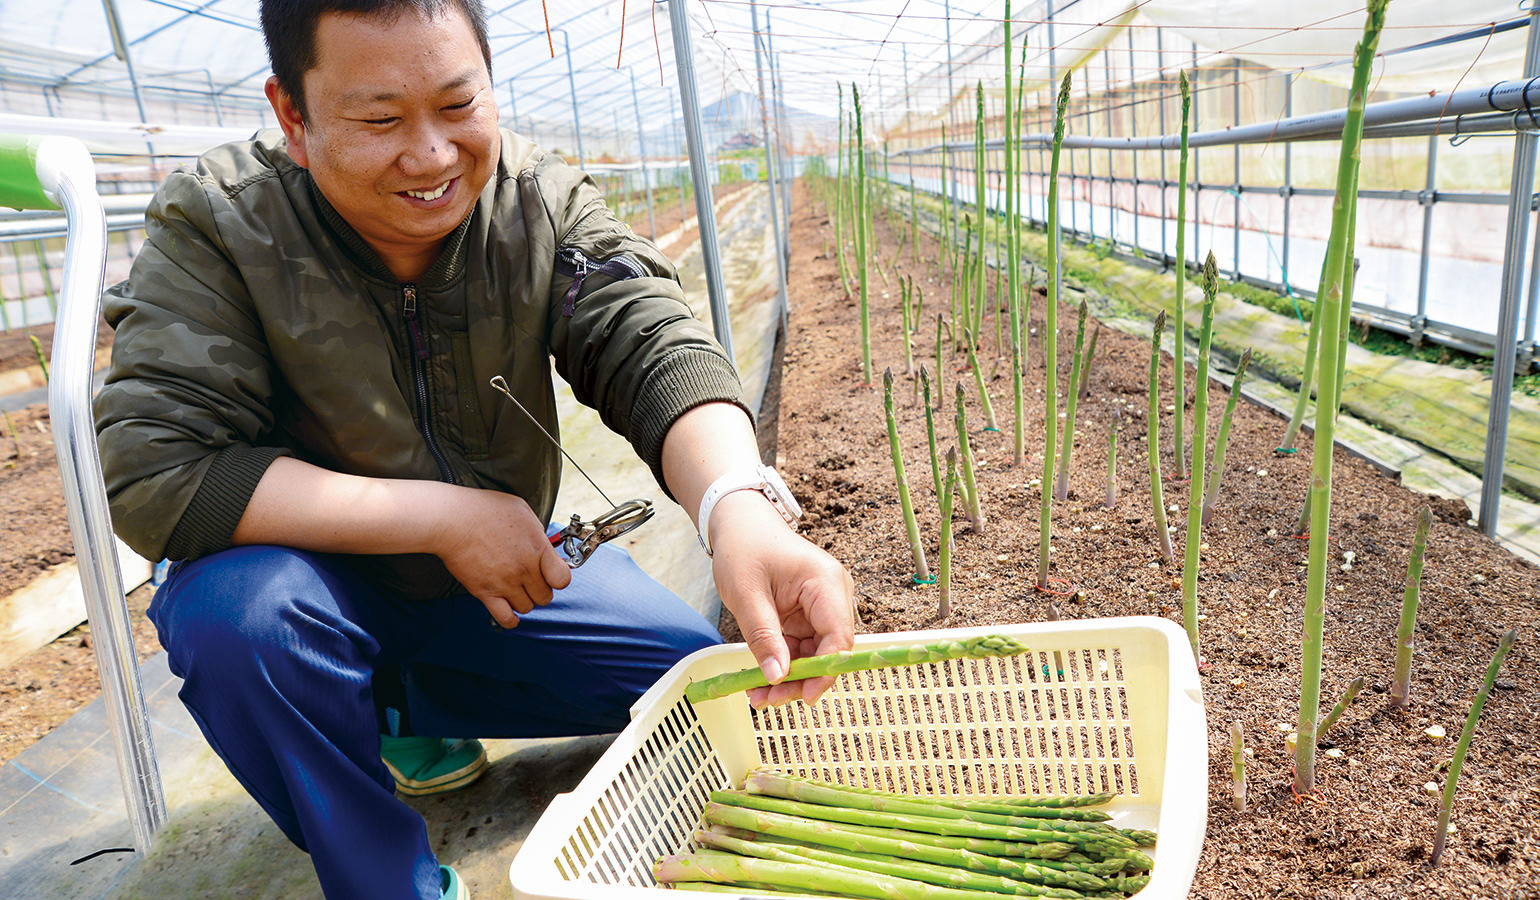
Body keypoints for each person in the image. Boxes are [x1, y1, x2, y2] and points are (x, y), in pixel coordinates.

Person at [92, 2, 856, 898]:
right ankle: (387, 876)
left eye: (459, 107)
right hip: (311, 586)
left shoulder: (534, 203)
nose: (431, 156)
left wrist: (735, 504)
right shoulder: (225, 224)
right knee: (242, 624)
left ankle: (388, 706)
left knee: (687, 680)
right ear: (293, 116)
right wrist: (444, 516)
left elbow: (648, 337)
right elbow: (157, 470)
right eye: (379, 120)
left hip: (497, 587)